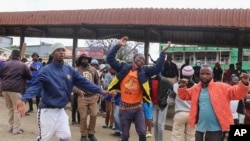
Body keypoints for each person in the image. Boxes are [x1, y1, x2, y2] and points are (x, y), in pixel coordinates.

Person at [16, 43, 111, 141]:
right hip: (47, 111)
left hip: (61, 111)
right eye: (58, 50)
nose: (61, 52)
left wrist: (100, 90)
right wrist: (24, 99)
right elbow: (35, 86)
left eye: (63, 50)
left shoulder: (69, 70)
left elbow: (84, 82)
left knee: (66, 138)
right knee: (43, 138)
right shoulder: (46, 70)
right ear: (52, 53)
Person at [106, 36, 170, 141]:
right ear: (134, 59)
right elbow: (110, 59)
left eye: (143, 59)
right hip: (124, 109)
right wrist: (118, 45)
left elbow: (158, 67)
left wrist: (163, 53)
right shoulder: (123, 67)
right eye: (139, 58)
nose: (141, 60)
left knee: (142, 133)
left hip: (137, 109)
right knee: (125, 136)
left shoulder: (144, 71)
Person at [178, 64, 249, 141]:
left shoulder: (222, 87)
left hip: (216, 130)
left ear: (213, 75)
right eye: (202, 74)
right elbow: (184, 95)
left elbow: (237, 93)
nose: (205, 76)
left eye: (208, 74)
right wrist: (182, 87)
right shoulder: (195, 89)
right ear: (199, 75)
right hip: (199, 129)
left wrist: (243, 84)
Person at [0, 50, 32, 134]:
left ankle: (11, 127)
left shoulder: (5, 64)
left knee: (10, 108)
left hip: (4, 88)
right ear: (19, 56)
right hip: (16, 89)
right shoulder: (22, 65)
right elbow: (29, 77)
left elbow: (1, 74)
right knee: (17, 109)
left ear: (11, 55)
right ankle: (16, 129)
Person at [72, 53, 101, 141]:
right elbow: (72, 84)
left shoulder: (93, 70)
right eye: (83, 59)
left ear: (89, 60)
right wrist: (78, 91)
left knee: (94, 114)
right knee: (83, 116)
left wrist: (97, 93)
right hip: (82, 97)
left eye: (86, 59)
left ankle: (91, 133)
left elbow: (98, 82)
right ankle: (83, 135)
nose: (85, 60)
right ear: (80, 60)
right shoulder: (77, 71)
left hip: (93, 96)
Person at [170, 65, 195, 141]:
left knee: (177, 136)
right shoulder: (196, 87)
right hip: (191, 114)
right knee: (190, 137)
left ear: (182, 74)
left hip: (179, 113)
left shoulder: (175, 86)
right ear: (192, 75)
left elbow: (170, 101)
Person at [150, 73, 173, 141]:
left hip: (162, 105)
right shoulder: (149, 80)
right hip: (154, 105)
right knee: (155, 123)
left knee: (160, 125)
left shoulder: (164, 80)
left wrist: (168, 98)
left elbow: (173, 89)